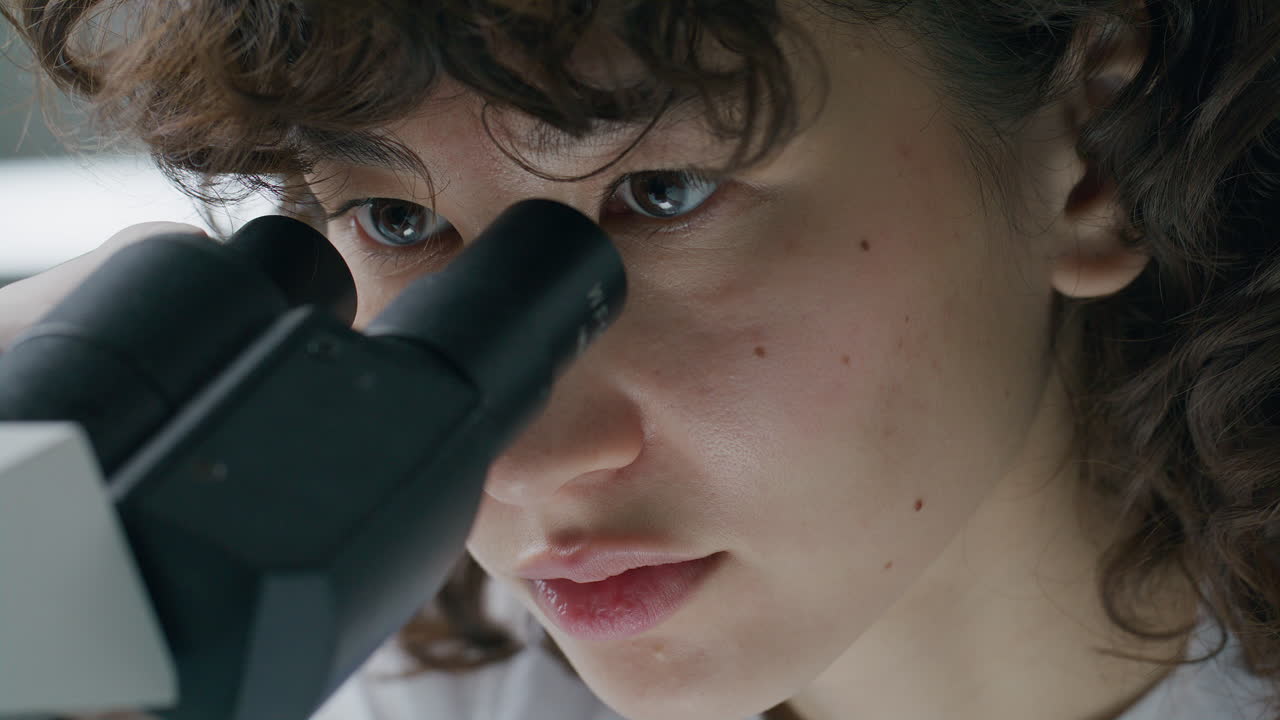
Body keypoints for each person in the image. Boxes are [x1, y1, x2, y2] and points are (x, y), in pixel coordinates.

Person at [2, 1, 1278, 719]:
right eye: (395, 220)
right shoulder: (415, 683)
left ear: (1088, 159)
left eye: (663, 191)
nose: (526, 456)